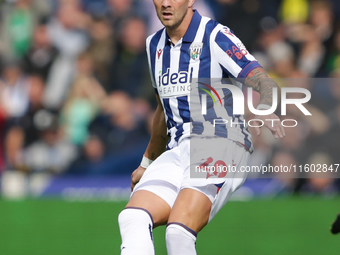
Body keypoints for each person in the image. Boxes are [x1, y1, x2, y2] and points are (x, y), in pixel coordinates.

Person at [118, 1, 285, 254]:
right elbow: (163, 111)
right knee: (132, 218)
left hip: (221, 141)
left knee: (178, 231)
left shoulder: (215, 35)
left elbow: (262, 79)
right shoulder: (154, 45)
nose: (165, 3)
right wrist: (147, 163)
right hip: (178, 149)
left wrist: (265, 106)